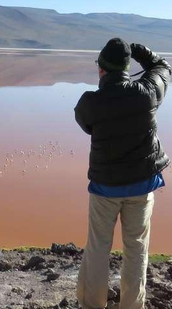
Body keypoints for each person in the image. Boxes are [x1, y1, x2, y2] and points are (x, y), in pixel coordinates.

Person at [75, 39, 171, 309]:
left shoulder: (90, 102)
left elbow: (86, 124)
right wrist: (141, 53)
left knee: (97, 250)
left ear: (102, 70)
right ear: (126, 68)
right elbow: (163, 67)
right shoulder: (147, 93)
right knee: (137, 250)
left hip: (105, 190)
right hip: (141, 188)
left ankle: (92, 305)